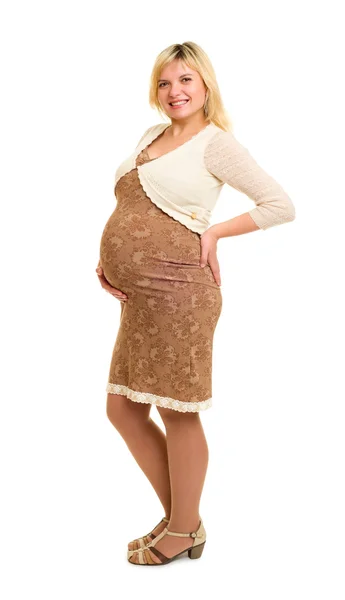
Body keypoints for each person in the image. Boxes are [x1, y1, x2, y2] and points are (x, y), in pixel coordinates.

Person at [95, 41, 295, 566]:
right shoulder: (150, 136)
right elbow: (136, 205)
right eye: (164, 82)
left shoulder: (216, 144)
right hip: (141, 297)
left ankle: (182, 529)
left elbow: (280, 205)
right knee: (123, 407)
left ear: (206, 85)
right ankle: (183, 520)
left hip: (180, 292)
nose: (174, 91)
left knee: (176, 411)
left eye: (185, 80)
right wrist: (108, 259)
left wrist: (215, 234)